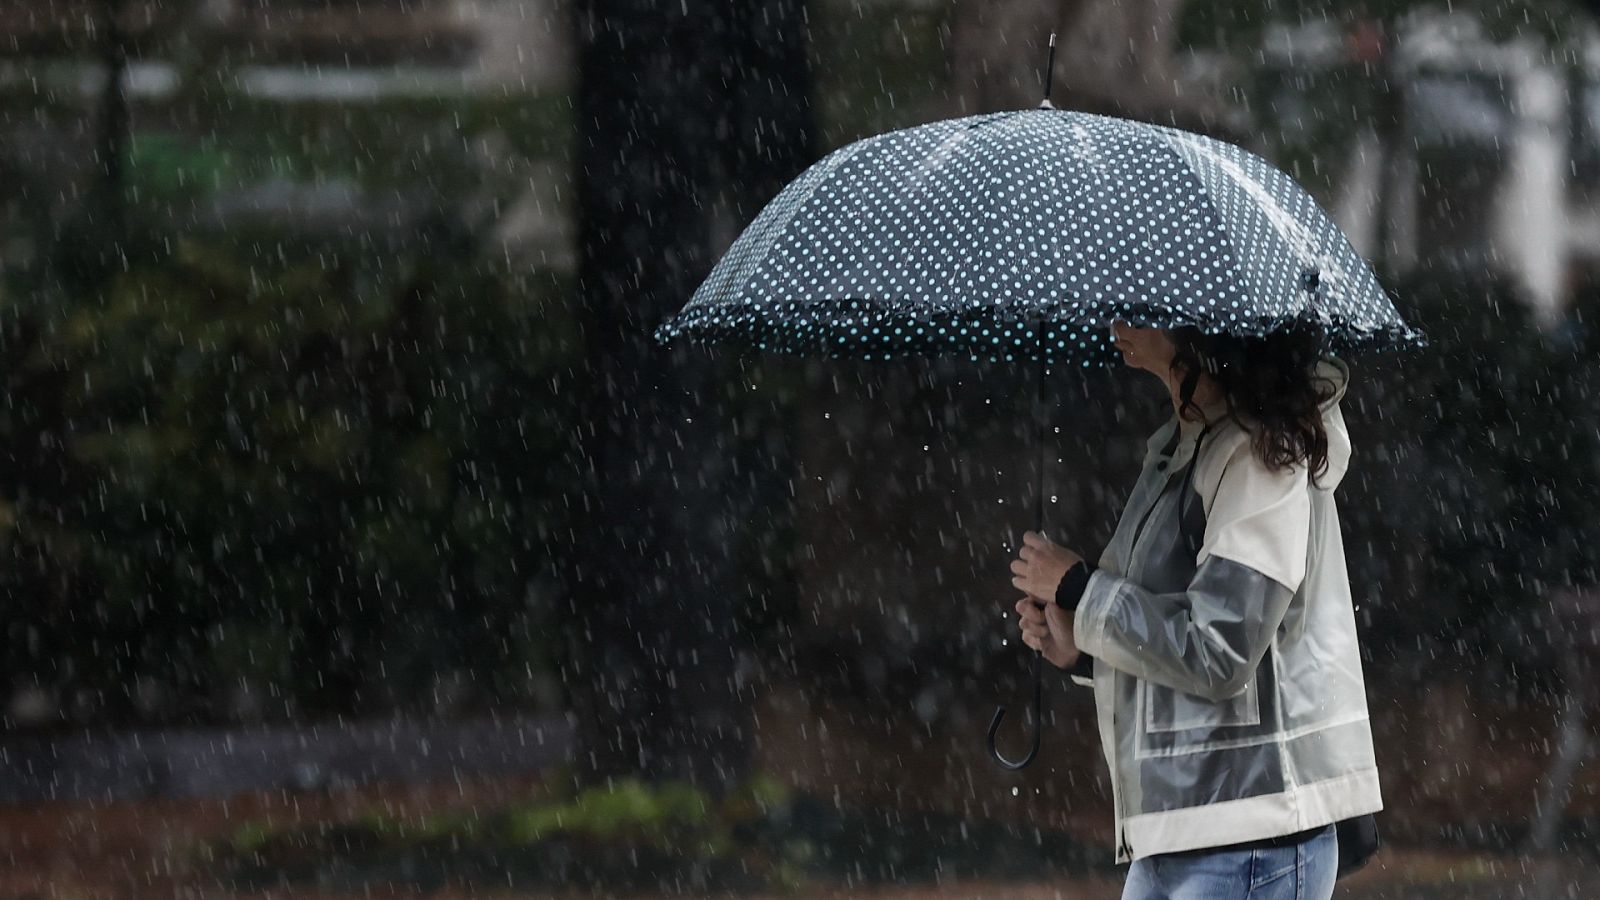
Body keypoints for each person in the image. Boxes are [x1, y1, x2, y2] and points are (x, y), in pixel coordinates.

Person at [1008, 318, 1383, 900]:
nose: (1117, 323)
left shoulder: (1260, 456)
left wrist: (1083, 591)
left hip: (1251, 833)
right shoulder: (1185, 446)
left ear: (1201, 332)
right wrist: (1081, 647)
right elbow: (1178, 630)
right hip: (1183, 827)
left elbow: (1220, 651)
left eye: (1140, 309)